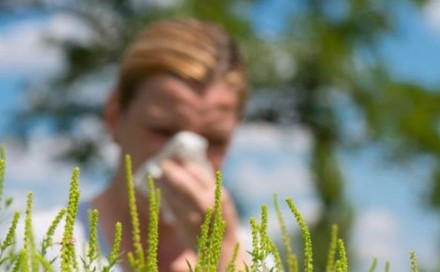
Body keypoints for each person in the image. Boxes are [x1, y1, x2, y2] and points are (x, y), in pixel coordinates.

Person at [89, 18, 249, 271]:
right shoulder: (31, 244)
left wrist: (225, 256)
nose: (185, 158)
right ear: (114, 116)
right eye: (163, 131)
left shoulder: (254, 255)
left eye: (214, 141)